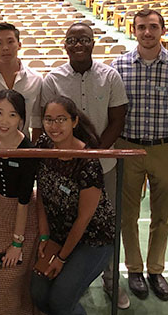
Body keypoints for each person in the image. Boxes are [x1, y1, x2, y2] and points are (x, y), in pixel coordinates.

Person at [40, 22, 129, 307]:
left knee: (104, 224)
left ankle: (111, 281)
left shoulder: (110, 76)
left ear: (93, 43)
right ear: (64, 45)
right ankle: (75, 278)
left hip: (104, 166)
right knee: (69, 223)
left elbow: (117, 119)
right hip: (65, 169)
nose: (78, 45)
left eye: (84, 39)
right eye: (72, 40)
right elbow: (46, 125)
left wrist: (93, 155)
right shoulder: (52, 79)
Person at [110, 8, 168, 302]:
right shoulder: (118, 65)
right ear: (134, 30)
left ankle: (156, 269)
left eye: (153, 27)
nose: (148, 32)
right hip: (128, 148)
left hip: (164, 149)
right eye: (142, 27)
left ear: (163, 29)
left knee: (162, 215)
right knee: (127, 215)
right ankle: (134, 268)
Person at [30, 97, 116, 315]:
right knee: (38, 293)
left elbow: (83, 219)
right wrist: (44, 236)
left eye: (61, 120)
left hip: (93, 239)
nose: (54, 126)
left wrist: (61, 258)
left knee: (60, 299)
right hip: (57, 234)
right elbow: (41, 193)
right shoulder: (43, 146)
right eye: (49, 120)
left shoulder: (87, 162)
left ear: (74, 122)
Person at [0, 89, 38, 315]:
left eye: (12, 115)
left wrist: (17, 244)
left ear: (21, 118)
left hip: (22, 218)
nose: (4, 121)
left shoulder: (28, 150)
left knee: (7, 281)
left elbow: (24, 200)